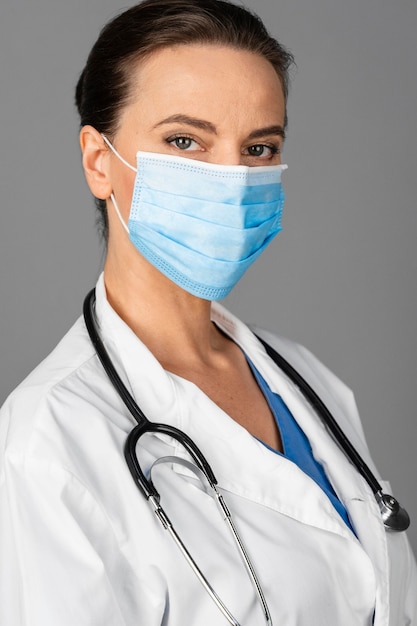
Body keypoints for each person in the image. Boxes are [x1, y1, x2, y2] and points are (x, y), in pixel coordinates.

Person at [0, 0, 416, 624]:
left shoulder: (308, 381)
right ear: (98, 161)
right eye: (185, 140)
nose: (231, 177)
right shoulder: (50, 440)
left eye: (258, 148)